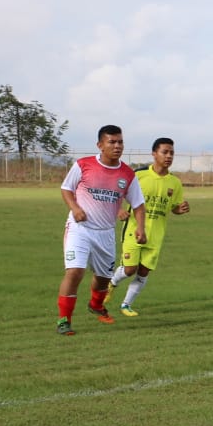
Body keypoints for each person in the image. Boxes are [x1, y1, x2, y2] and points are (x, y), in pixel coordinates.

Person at [55, 125, 146, 335]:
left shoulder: (127, 174)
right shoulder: (83, 165)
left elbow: (138, 205)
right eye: (112, 142)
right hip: (80, 228)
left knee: (103, 278)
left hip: (105, 233)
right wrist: (75, 208)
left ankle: (96, 305)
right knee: (75, 272)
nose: (117, 146)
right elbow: (66, 188)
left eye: (120, 142)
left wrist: (140, 228)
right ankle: (63, 321)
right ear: (100, 145)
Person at [105, 137, 190, 317]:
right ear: (154, 154)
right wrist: (119, 209)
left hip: (156, 234)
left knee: (143, 272)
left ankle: (126, 305)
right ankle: (111, 283)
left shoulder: (175, 182)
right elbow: (115, 193)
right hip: (134, 230)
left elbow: (173, 207)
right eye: (164, 152)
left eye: (172, 153)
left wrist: (179, 209)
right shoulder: (138, 175)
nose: (168, 156)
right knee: (129, 269)